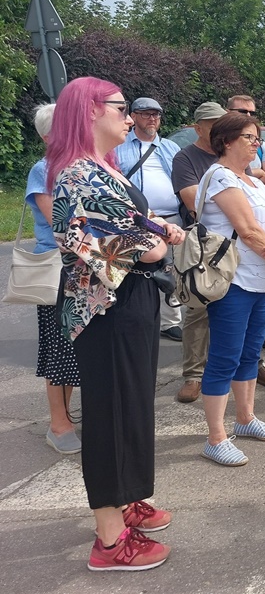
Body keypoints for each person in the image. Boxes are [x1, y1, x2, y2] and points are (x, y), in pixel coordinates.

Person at [49, 77, 183, 571]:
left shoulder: (100, 167)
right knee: (111, 414)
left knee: (131, 407)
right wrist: (157, 240)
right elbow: (125, 247)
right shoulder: (78, 174)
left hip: (127, 300)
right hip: (107, 307)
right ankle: (108, 540)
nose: (129, 117)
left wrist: (154, 229)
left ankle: (126, 500)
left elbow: (133, 227)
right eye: (121, 107)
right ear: (89, 110)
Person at [196, 113, 265, 466]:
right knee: (225, 356)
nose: (256, 144)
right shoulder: (221, 177)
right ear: (226, 140)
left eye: (258, 138)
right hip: (233, 280)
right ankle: (216, 438)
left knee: (250, 353)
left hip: (262, 279)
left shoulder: (254, 181)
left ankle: (245, 419)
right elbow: (248, 230)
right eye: (249, 137)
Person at [26, 104, 81, 455]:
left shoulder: (79, 167)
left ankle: (67, 417)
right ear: (49, 136)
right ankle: (58, 424)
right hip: (57, 270)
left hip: (82, 268)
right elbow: (60, 223)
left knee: (76, 348)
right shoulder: (43, 170)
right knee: (60, 349)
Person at [115, 96, 184, 341]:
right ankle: (135, 319)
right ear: (133, 116)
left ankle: (170, 322)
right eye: (146, 114)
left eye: (156, 114)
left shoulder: (170, 147)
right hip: (137, 221)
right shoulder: (119, 147)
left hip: (171, 219)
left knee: (171, 271)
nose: (152, 118)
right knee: (137, 271)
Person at [171, 101, 226, 403]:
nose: (219, 128)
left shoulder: (228, 152)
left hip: (233, 240)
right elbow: (194, 202)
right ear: (198, 128)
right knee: (198, 307)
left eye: (222, 122)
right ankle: (193, 375)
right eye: (213, 124)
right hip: (201, 244)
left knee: (238, 305)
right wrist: (233, 201)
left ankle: (251, 363)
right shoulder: (185, 158)